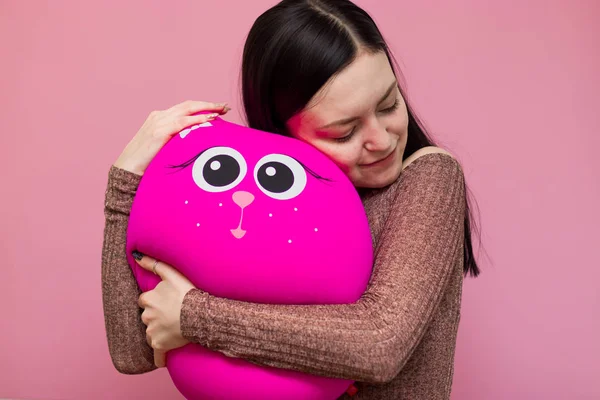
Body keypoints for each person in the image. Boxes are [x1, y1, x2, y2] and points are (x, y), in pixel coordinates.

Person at [101, 0, 481, 398]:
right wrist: (125, 180)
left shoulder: (428, 176)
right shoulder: (264, 208)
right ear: (284, 134)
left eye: (388, 104)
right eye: (343, 132)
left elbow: (380, 344)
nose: (382, 140)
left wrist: (194, 315)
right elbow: (132, 352)